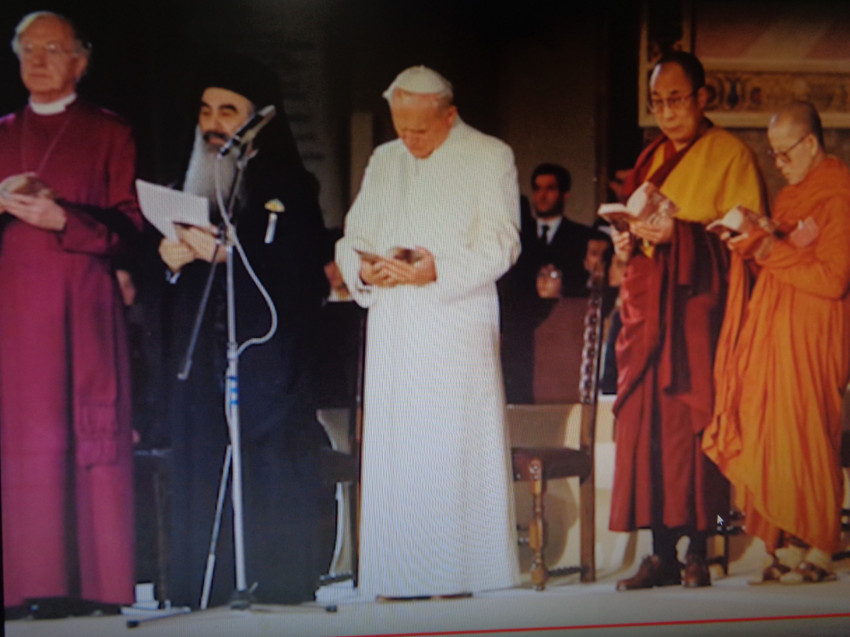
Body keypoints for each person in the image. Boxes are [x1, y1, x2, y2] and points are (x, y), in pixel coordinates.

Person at [335, 65, 521, 599]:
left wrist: (438, 269)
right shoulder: (385, 158)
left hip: (453, 323)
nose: (409, 140)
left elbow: (503, 243)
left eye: (420, 130)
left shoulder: (490, 155)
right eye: (401, 128)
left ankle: (456, 574)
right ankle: (397, 575)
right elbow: (353, 235)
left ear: (450, 115)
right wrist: (363, 269)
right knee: (400, 453)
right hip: (395, 328)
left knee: (448, 450)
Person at [157, 54, 334, 607]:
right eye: (206, 110)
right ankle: (204, 586)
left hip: (266, 355)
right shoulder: (187, 181)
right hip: (201, 354)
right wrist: (170, 260)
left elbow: (302, 271)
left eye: (228, 110)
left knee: (270, 457)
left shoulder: (290, 186)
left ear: (259, 119)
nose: (213, 123)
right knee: (202, 451)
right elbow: (164, 280)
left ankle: (274, 581)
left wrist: (231, 254)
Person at [0, 11, 142, 611]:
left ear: (80, 62)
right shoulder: (3, 132)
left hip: (83, 304)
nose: (37, 61)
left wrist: (64, 218)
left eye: (52, 50)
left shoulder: (108, 131)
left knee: (88, 433)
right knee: (24, 438)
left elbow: (131, 225)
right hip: (14, 313)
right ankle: (29, 585)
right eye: (28, 49)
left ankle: (96, 585)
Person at [609, 50, 767, 590]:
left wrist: (680, 236)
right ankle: (660, 553)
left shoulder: (731, 155)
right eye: (657, 102)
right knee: (647, 429)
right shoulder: (650, 156)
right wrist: (629, 243)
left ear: (702, 97)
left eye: (676, 100)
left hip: (698, 309)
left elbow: (747, 243)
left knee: (694, 427)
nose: (667, 113)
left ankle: (699, 550)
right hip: (648, 308)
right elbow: (639, 227)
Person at [704, 102, 850, 585]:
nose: (779, 164)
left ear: (811, 143)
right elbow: (785, 256)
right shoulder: (789, 197)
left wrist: (768, 246)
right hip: (775, 325)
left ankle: (823, 545)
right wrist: (756, 238)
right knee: (773, 428)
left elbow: (832, 278)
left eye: (785, 153)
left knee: (809, 430)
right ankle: (790, 542)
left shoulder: (841, 193)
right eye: (773, 154)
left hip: (817, 330)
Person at [500, 163, 593, 402]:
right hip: (521, 335)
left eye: (550, 189)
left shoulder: (583, 237)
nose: (542, 196)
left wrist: (563, 287)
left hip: (564, 332)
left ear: (565, 194)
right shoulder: (517, 239)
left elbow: (588, 283)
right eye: (537, 188)